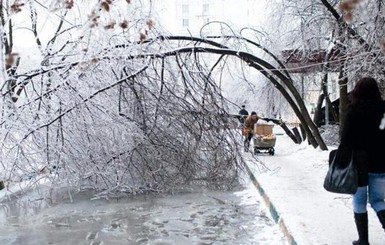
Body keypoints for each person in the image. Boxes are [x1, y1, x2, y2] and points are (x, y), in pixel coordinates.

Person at [339, 77, 385, 245]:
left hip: (358, 165)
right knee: (377, 200)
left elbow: (346, 139)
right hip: (381, 163)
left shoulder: (354, 110)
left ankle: (363, 241)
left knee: (359, 201)